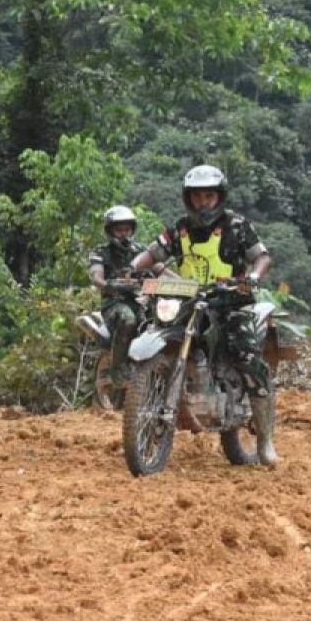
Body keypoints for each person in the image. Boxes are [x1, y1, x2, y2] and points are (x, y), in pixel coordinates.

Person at [130, 165, 278, 465]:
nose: (203, 203)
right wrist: (133, 267)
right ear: (189, 198)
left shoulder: (237, 224)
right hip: (189, 300)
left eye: (209, 196)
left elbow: (261, 257)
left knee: (247, 356)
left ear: (219, 197)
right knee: (151, 321)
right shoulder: (180, 228)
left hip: (231, 302)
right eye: (197, 197)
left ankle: (265, 441)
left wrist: (253, 277)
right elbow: (153, 252)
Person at [87, 205, 147, 387]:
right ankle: (117, 370)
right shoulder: (101, 252)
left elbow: (160, 269)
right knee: (128, 319)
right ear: (110, 231)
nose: (124, 234)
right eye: (119, 230)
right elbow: (96, 275)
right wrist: (108, 284)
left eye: (127, 229)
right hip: (114, 302)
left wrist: (186, 283)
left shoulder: (140, 250)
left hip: (142, 301)